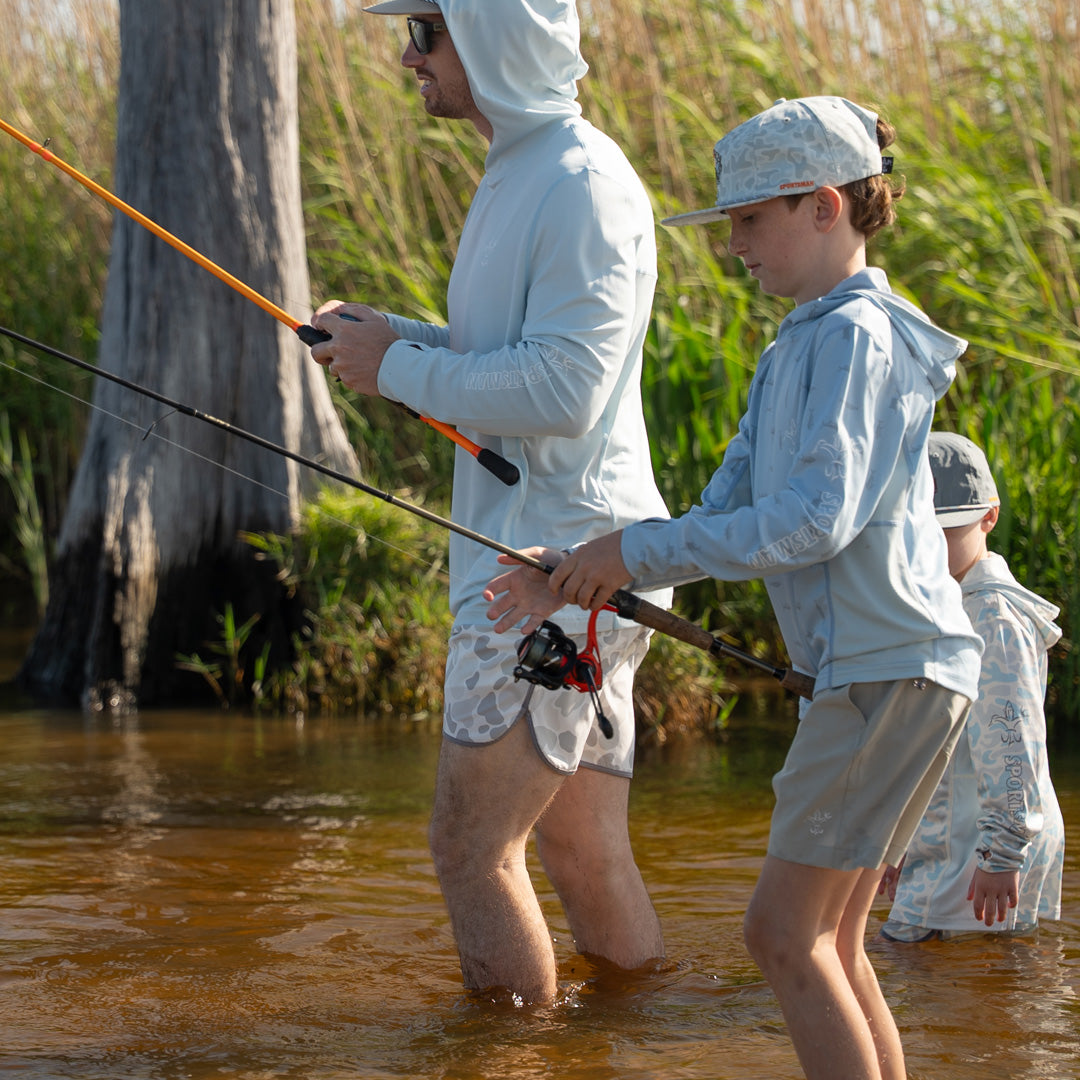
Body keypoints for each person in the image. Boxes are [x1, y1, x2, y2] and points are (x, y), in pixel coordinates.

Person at [484, 96, 983, 1078]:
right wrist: (587, 565)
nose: (734, 246)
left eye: (750, 221)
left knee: (781, 938)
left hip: (885, 671)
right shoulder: (798, 340)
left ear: (825, 207)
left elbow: (813, 520)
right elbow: (716, 510)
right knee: (830, 943)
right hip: (893, 671)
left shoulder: (856, 336)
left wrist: (635, 555)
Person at [307, 0, 672, 1004]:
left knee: (471, 849)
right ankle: (642, 1052)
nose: (406, 54)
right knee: (583, 856)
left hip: (547, 575)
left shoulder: (580, 183)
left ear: (496, 35)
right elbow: (514, 355)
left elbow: (565, 390)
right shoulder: (526, 169)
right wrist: (399, 339)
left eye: (427, 30)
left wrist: (400, 371)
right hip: (565, 566)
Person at [878, 431, 1064, 941]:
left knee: (921, 961)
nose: (933, 547)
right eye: (920, 531)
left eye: (947, 530)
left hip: (983, 843)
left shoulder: (992, 617)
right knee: (945, 978)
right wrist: (900, 845)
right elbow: (928, 740)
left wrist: (1001, 854)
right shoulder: (946, 602)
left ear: (990, 516)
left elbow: (1013, 741)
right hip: (954, 835)